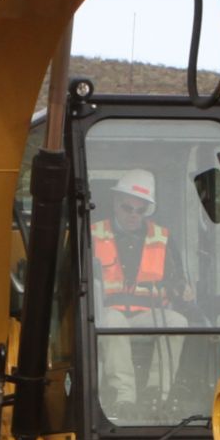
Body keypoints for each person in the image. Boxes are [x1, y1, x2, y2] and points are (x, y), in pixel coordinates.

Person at [89, 168, 189, 420]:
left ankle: (157, 394)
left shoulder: (162, 238)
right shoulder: (92, 234)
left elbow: (176, 277)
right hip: (106, 313)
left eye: (140, 210)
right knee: (113, 322)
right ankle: (124, 397)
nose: (133, 215)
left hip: (147, 315)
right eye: (127, 207)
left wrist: (181, 288)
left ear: (148, 210)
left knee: (178, 321)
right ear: (115, 203)